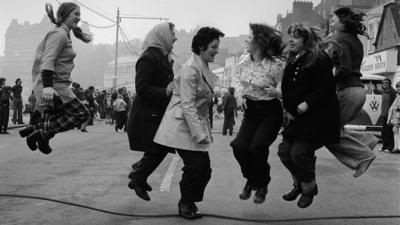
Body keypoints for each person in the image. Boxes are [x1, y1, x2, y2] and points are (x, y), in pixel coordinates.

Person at [154, 27, 224, 220]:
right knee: (195, 167)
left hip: (193, 124)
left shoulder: (203, 67)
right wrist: (199, 133)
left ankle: (190, 200)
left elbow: (202, 106)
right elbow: (188, 105)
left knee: (205, 169)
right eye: (213, 47)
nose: (216, 51)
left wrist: (204, 131)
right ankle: (185, 203)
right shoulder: (190, 69)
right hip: (181, 126)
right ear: (201, 47)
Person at [279, 23, 340, 208]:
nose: (291, 39)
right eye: (290, 35)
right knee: (284, 152)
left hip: (318, 118)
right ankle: (299, 183)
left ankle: (308, 188)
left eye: (296, 36)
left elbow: (327, 87)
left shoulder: (318, 57)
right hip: (298, 118)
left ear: (306, 40)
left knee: (298, 153)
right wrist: (288, 109)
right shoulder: (294, 58)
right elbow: (287, 87)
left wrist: (308, 103)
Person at [18, 2, 91, 154]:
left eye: (79, 14)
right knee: (82, 114)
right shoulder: (59, 34)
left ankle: (36, 129)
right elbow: (48, 60)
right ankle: (41, 133)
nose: (79, 17)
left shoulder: (64, 33)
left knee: (56, 115)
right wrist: (48, 86)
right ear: (65, 15)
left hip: (59, 84)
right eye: (75, 14)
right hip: (55, 85)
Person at [230, 23, 285, 204]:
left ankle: (261, 184)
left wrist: (277, 93)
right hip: (251, 111)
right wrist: (239, 95)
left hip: (270, 112)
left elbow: (286, 89)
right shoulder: (244, 61)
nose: (247, 40)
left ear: (259, 42)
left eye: (249, 37)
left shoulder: (275, 66)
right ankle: (252, 179)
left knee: (257, 148)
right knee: (239, 147)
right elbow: (239, 83)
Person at [126, 22, 177, 201]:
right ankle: (138, 175)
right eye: (173, 35)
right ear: (163, 36)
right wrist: (165, 91)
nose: (176, 38)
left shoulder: (162, 56)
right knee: (159, 148)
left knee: (160, 148)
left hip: (155, 114)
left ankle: (138, 173)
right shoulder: (149, 57)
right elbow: (142, 88)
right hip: (146, 115)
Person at [324, 7, 377, 178]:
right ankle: (368, 141)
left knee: (327, 131)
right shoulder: (355, 40)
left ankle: (363, 156)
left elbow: (345, 68)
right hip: (357, 90)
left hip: (349, 91)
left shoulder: (339, 39)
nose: (331, 22)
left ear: (343, 22)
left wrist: (327, 83)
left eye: (333, 20)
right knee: (333, 129)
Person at [379, 78, 396, 153]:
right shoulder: (384, 92)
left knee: (389, 132)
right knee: (383, 132)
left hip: (390, 115)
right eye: (383, 83)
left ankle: (389, 147)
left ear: (389, 83)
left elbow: (394, 104)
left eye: (386, 82)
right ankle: (384, 146)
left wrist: (392, 115)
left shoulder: (392, 92)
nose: (384, 84)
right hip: (384, 114)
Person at [387, 81, 400, 154]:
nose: (398, 88)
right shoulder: (397, 96)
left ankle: (398, 147)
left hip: (398, 116)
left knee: (396, 131)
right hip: (396, 117)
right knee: (395, 130)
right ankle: (396, 147)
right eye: (397, 87)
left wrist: (397, 108)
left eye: (399, 87)